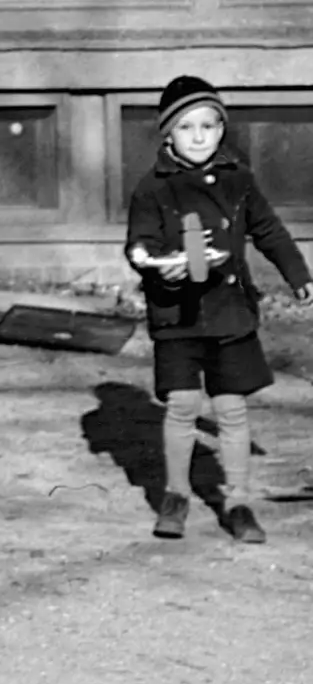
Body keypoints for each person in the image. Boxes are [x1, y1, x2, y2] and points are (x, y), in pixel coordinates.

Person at [124, 74, 313, 541]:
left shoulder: (239, 180)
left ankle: (239, 502)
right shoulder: (153, 187)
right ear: (168, 133)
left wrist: (299, 275)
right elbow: (139, 244)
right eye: (187, 128)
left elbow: (269, 230)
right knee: (184, 404)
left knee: (230, 408)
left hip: (229, 310)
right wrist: (153, 265)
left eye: (209, 126)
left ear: (222, 130)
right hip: (177, 312)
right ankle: (176, 495)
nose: (199, 137)